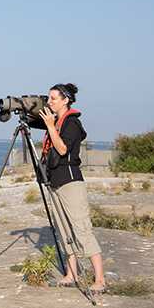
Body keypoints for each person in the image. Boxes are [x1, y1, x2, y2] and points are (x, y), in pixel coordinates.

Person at [39, 83, 107, 295]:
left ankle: (100, 280)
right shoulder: (56, 121)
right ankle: (71, 275)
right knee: (64, 231)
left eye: (52, 99)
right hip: (55, 181)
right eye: (47, 99)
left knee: (82, 230)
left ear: (65, 100)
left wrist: (50, 126)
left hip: (71, 182)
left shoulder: (72, 123)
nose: (48, 102)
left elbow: (62, 149)